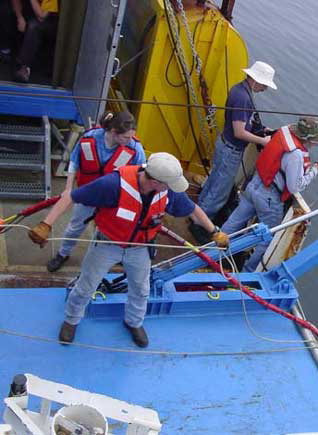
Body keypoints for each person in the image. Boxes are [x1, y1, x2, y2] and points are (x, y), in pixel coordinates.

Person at [28, 152, 229, 347]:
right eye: (168, 185)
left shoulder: (167, 192)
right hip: (106, 244)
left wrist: (214, 231)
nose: (172, 189)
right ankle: (71, 320)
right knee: (86, 287)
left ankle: (134, 322)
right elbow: (71, 196)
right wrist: (46, 224)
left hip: (139, 248)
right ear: (155, 182)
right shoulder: (112, 185)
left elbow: (192, 209)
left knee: (141, 290)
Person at [222, 117, 318, 272]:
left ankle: (213, 251)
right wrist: (314, 171)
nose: (317, 143)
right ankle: (248, 273)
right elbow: (295, 187)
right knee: (268, 238)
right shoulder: (295, 155)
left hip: (255, 183)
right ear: (308, 139)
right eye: (315, 140)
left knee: (235, 221)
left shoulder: (286, 130)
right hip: (269, 197)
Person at [47, 111, 146, 273]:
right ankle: (62, 254)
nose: (130, 141)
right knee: (75, 226)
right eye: (126, 137)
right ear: (114, 132)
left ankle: (112, 257)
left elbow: (142, 172)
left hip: (114, 198)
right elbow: (74, 160)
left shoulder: (135, 149)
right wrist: (68, 188)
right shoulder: (90, 138)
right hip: (88, 193)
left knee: (109, 231)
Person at [193, 61, 277, 234]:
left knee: (213, 183)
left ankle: (196, 213)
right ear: (257, 80)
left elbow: (243, 124)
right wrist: (263, 141)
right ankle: (200, 225)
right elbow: (239, 132)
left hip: (224, 144)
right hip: (231, 149)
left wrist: (261, 130)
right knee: (219, 192)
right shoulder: (243, 98)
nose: (265, 89)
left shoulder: (240, 90)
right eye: (265, 85)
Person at [12, 0, 58, 82]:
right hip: (28, 14)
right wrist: (20, 18)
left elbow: (42, 17)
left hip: (47, 22)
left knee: (34, 27)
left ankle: (24, 68)